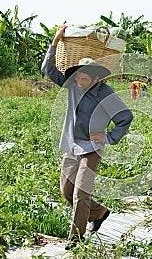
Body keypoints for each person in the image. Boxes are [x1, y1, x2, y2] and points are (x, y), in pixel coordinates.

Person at [41, 25, 133, 249]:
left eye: (84, 78)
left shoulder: (106, 94)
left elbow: (125, 117)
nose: (79, 81)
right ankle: (99, 212)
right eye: (78, 77)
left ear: (95, 79)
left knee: (81, 195)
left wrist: (108, 136)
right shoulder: (71, 86)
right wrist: (55, 41)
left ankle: (76, 239)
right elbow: (47, 68)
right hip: (72, 146)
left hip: (91, 149)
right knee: (67, 191)